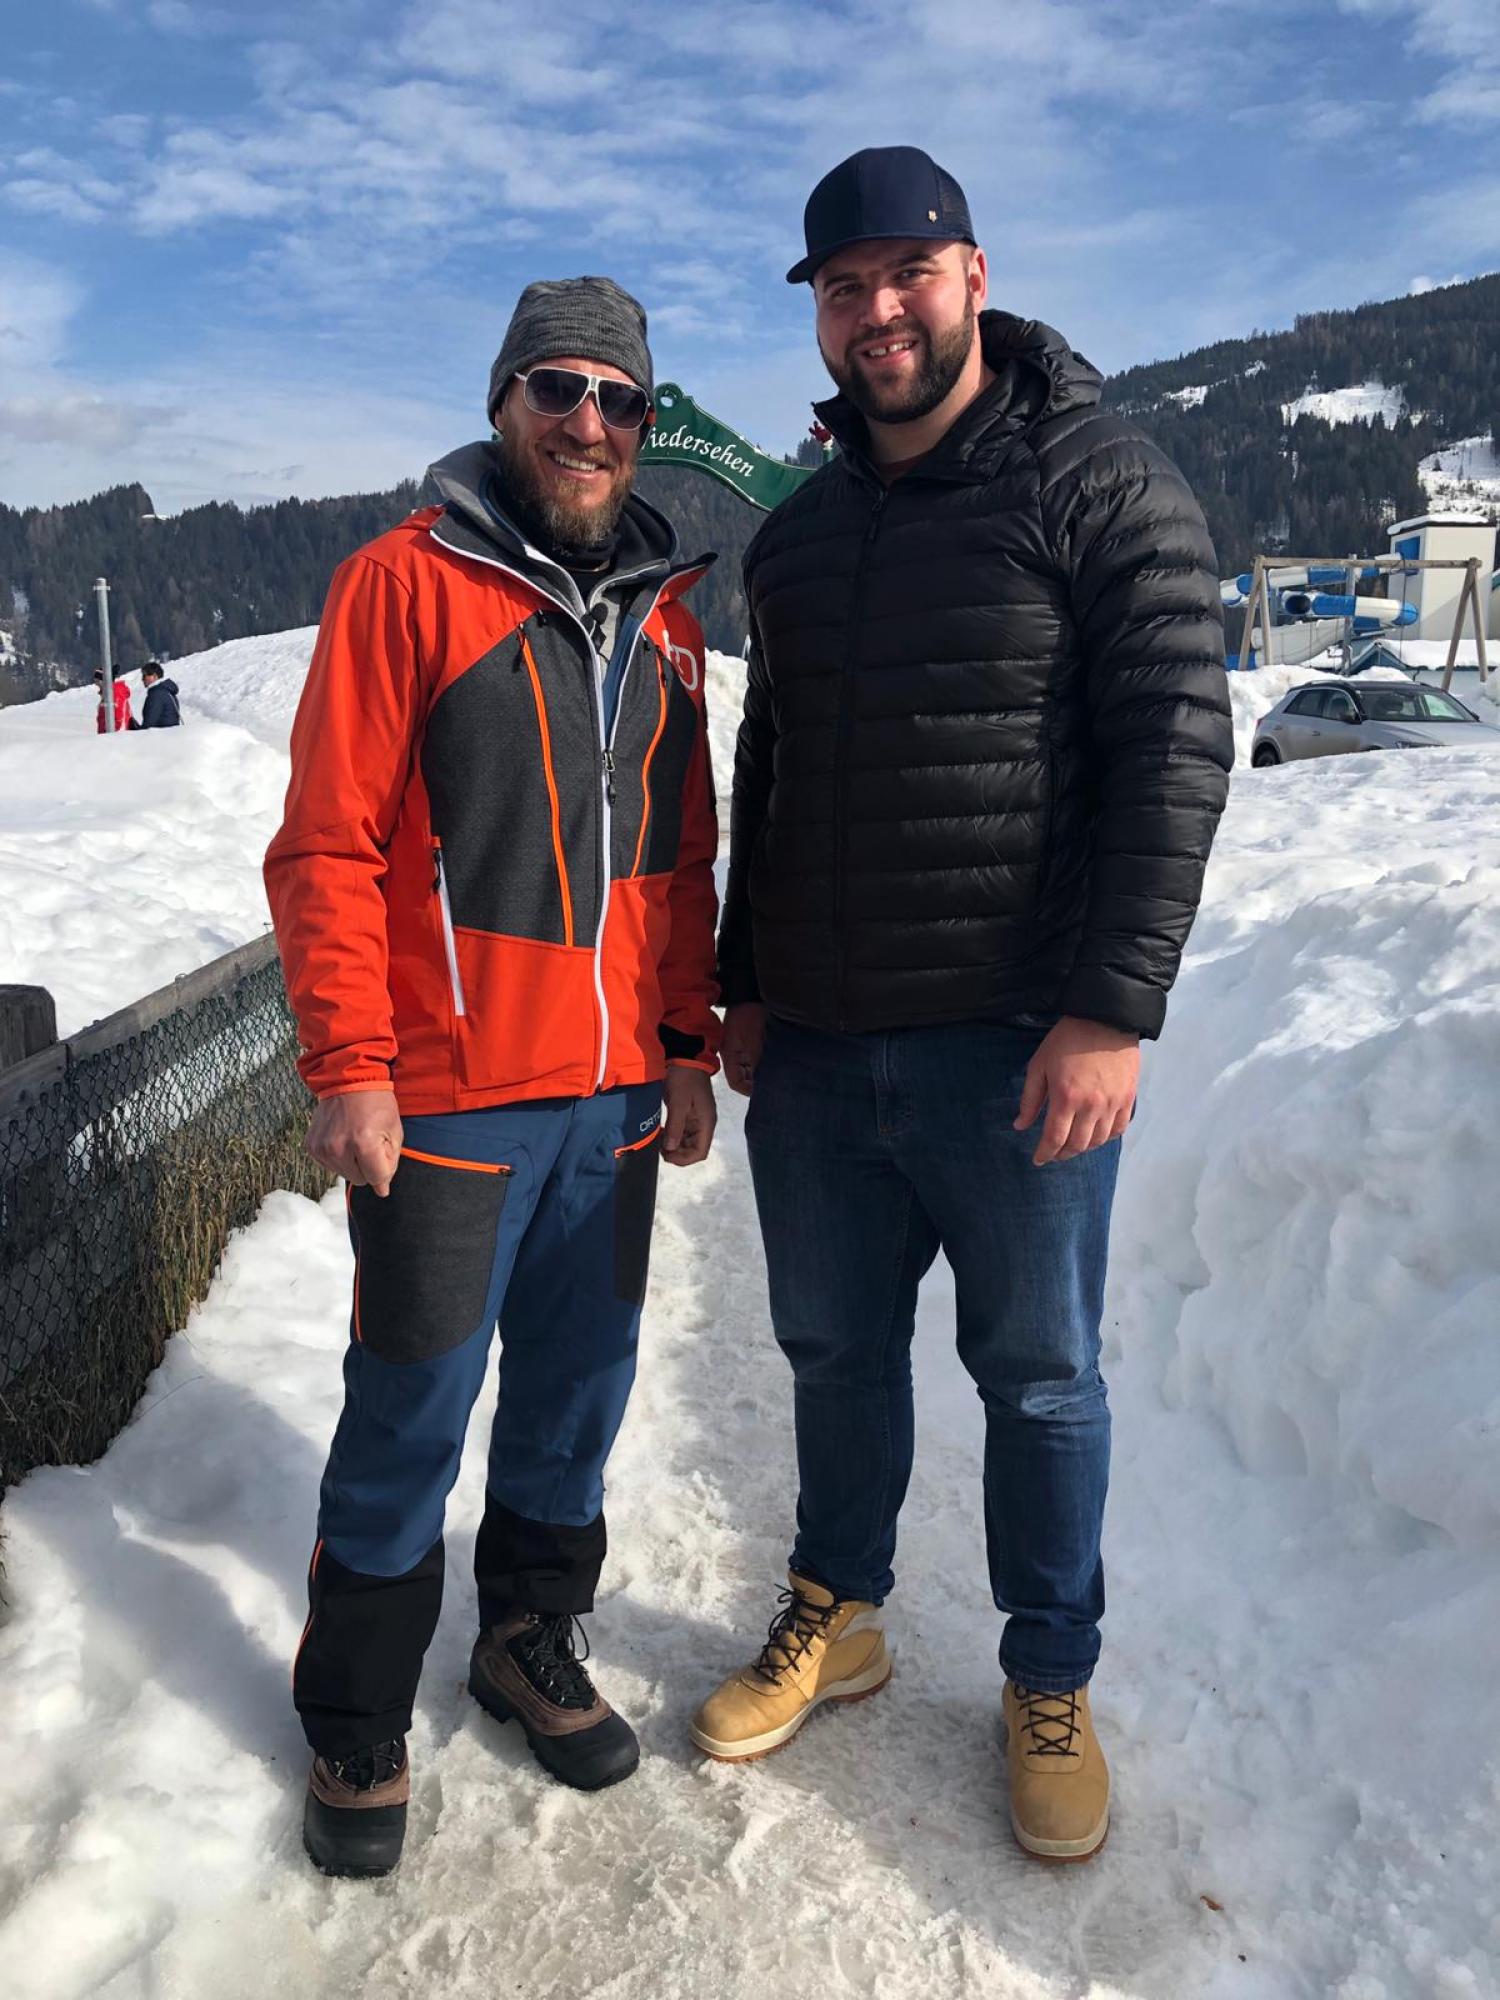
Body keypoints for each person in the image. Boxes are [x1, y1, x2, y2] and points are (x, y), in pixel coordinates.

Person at [692, 147, 1233, 1863]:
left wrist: (1111, 1010)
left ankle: (1048, 1677)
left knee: (1041, 1377)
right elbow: (772, 768)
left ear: (974, 278)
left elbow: (1173, 751)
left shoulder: (1099, 482)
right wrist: (745, 981)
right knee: (833, 1349)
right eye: (843, 288)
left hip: (1014, 1043)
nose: (879, 311)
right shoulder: (798, 536)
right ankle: (839, 1608)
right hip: (821, 1054)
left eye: (906, 274)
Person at [265, 276, 720, 1879]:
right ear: (503, 400)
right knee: (411, 1407)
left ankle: (527, 1636)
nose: (588, 421)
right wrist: (351, 1063)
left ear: (644, 425)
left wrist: (683, 1044)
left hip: (613, 1103)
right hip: (451, 1102)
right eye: (557, 388)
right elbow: (326, 846)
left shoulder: (669, 620)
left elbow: (678, 861)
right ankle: (355, 1711)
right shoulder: (403, 585)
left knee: (578, 1398)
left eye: (618, 398)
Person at [139, 661, 181, 727]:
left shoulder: (157, 694)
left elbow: (149, 723)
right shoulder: (166, 690)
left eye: (145, 676)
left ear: (155, 676)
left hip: (162, 732)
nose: (142, 679)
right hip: (171, 731)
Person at [93, 667, 134, 733]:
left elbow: (119, 718)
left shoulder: (116, 693)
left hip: (117, 736)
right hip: (109, 735)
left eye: (97, 681)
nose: (96, 684)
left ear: (104, 681)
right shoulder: (108, 695)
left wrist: (112, 735)